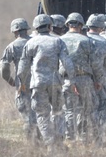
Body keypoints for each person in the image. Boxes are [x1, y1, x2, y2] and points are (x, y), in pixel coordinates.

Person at [17, 14, 74, 147]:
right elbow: (67, 63)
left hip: (38, 84)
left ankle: (50, 143)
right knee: (58, 112)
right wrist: (73, 80)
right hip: (55, 83)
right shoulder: (58, 41)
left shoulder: (30, 43)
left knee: (42, 114)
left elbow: (22, 68)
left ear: (36, 27)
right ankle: (59, 141)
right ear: (50, 26)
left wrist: (21, 82)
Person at [60, 12, 102, 142]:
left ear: (68, 24)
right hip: (85, 79)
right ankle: (87, 137)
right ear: (80, 25)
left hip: (66, 80)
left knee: (69, 110)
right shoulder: (86, 41)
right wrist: (98, 80)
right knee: (88, 109)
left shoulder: (60, 40)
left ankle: (70, 138)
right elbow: (95, 63)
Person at [0, 17, 36, 140]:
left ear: (14, 31)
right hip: (40, 83)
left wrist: (10, 80)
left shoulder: (11, 46)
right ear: (26, 29)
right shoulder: (35, 42)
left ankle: (32, 144)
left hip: (23, 85)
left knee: (28, 117)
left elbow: (4, 68)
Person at [86, 13, 106, 140]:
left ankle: (86, 136)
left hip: (84, 79)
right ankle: (102, 137)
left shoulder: (83, 39)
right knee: (102, 107)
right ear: (100, 27)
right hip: (100, 81)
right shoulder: (104, 42)